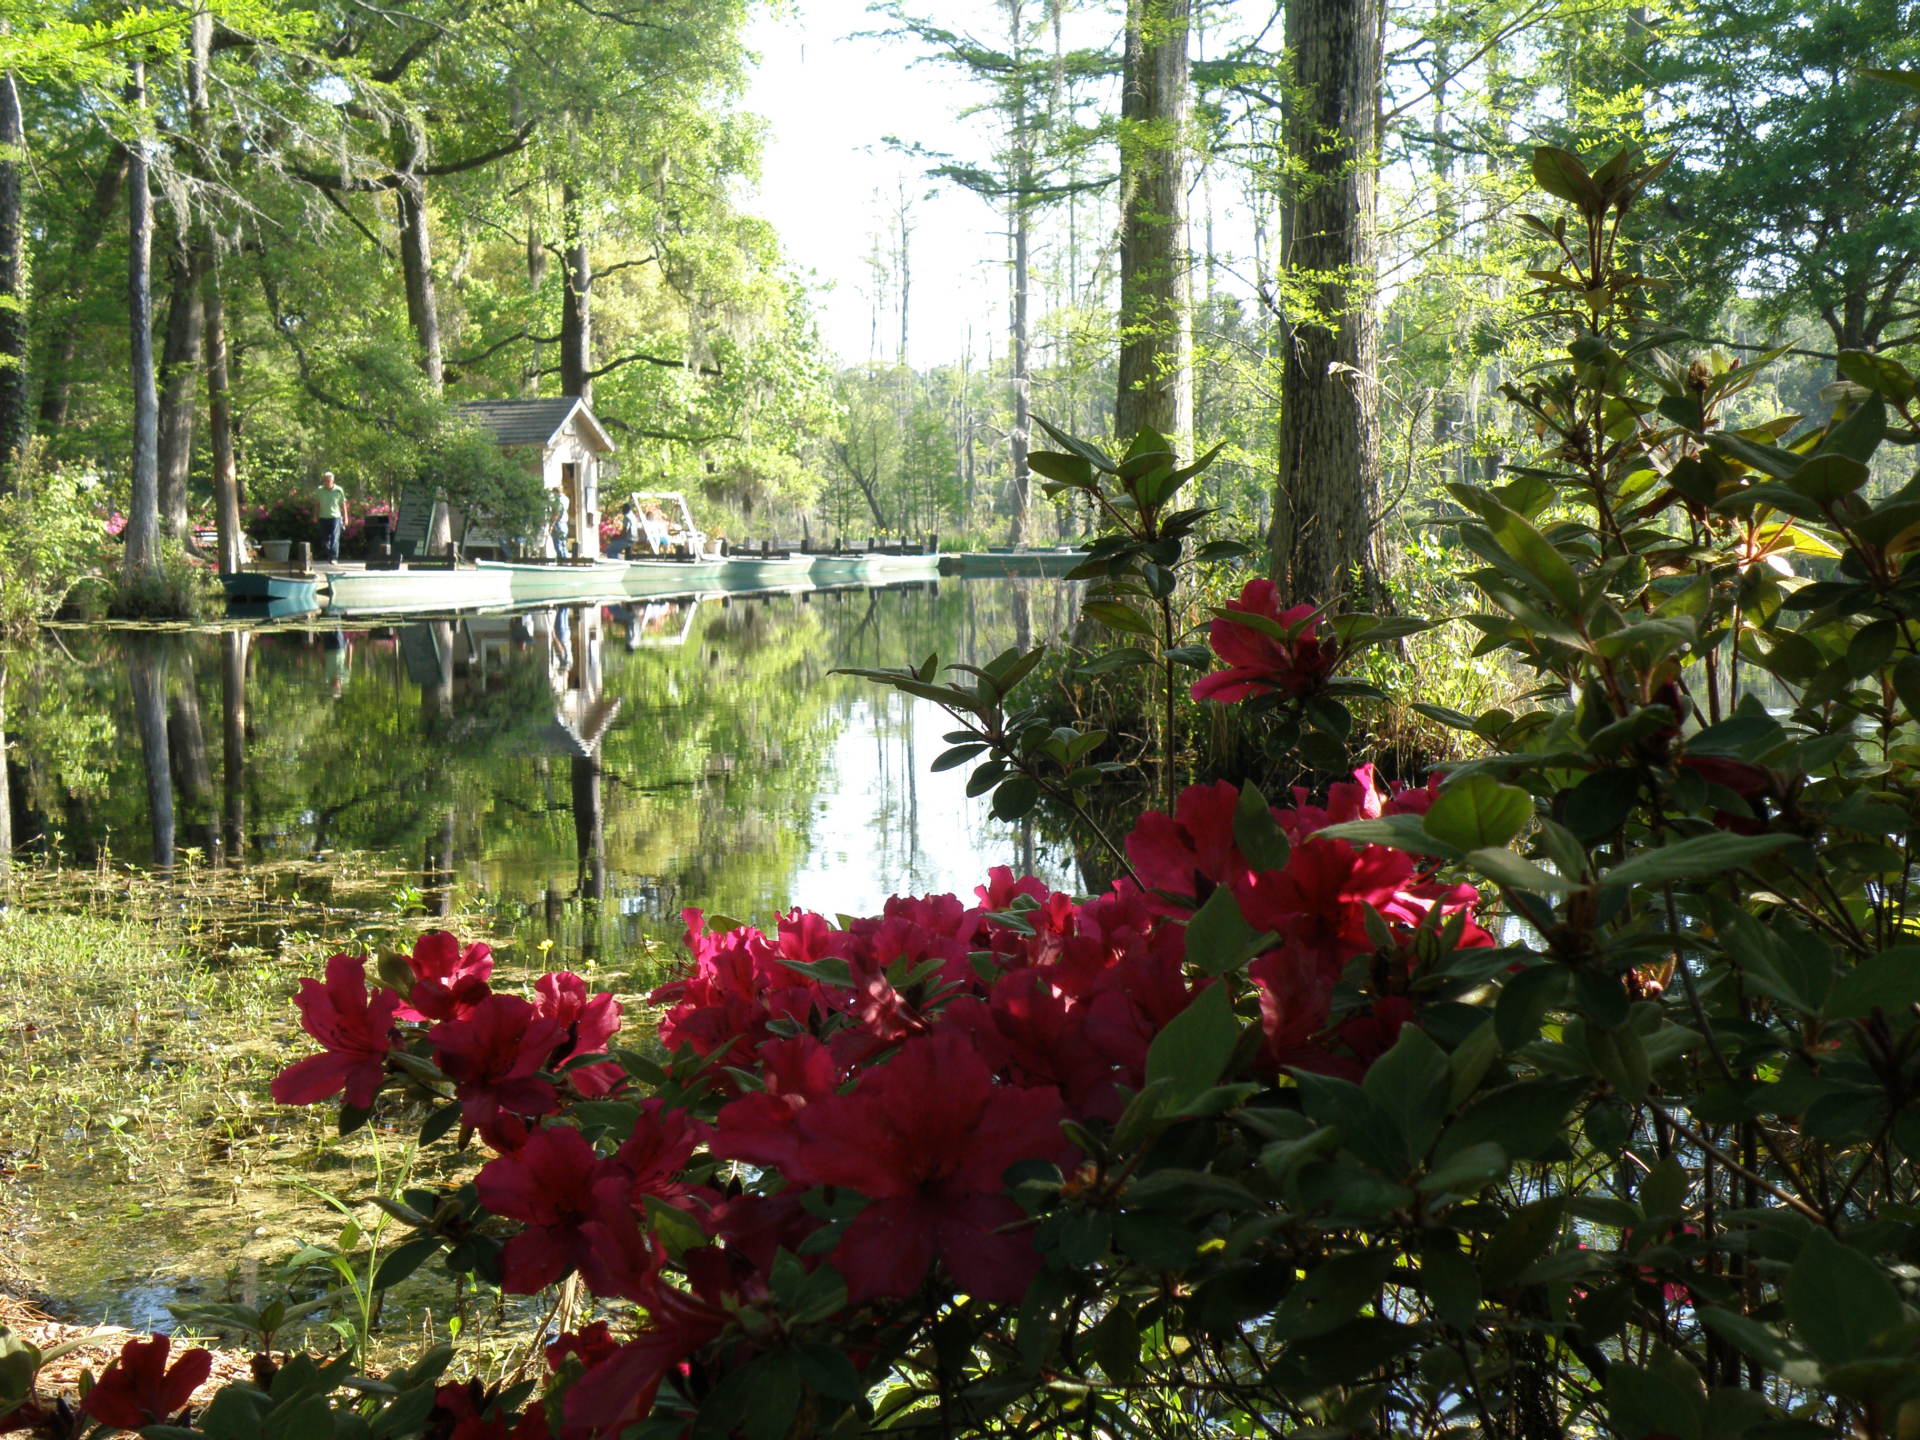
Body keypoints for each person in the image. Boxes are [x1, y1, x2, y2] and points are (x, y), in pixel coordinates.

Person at [314, 472, 348, 563]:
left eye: (329, 481)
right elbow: (316, 504)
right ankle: (330, 554)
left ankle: (334, 558)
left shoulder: (338, 490)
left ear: (333, 480)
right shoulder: (319, 490)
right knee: (324, 540)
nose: (327, 482)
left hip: (335, 517)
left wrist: (346, 517)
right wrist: (315, 516)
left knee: (334, 537)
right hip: (323, 517)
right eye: (325, 480)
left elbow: (343, 504)